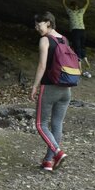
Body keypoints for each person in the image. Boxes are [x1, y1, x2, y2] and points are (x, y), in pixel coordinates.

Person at [30, 12, 72, 172]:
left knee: (40, 124)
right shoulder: (65, 39)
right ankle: (48, 161)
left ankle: (57, 152)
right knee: (56, 125)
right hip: (66, 89)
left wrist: (34, 86)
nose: (36, 28)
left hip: (49, 87)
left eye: (38, 24)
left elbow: (42, 65)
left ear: (48, 22)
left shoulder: (45, 40)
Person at [62, 0, 91, 74]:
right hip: (83, 31)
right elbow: (87, 3)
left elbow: (63, 3)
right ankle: (85, 59)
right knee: (82, 46)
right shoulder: (81, 11)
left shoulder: (70, 12)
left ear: (71, 7)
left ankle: (80, 68)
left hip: (75, 31)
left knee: (77, 48)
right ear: (77, 7)